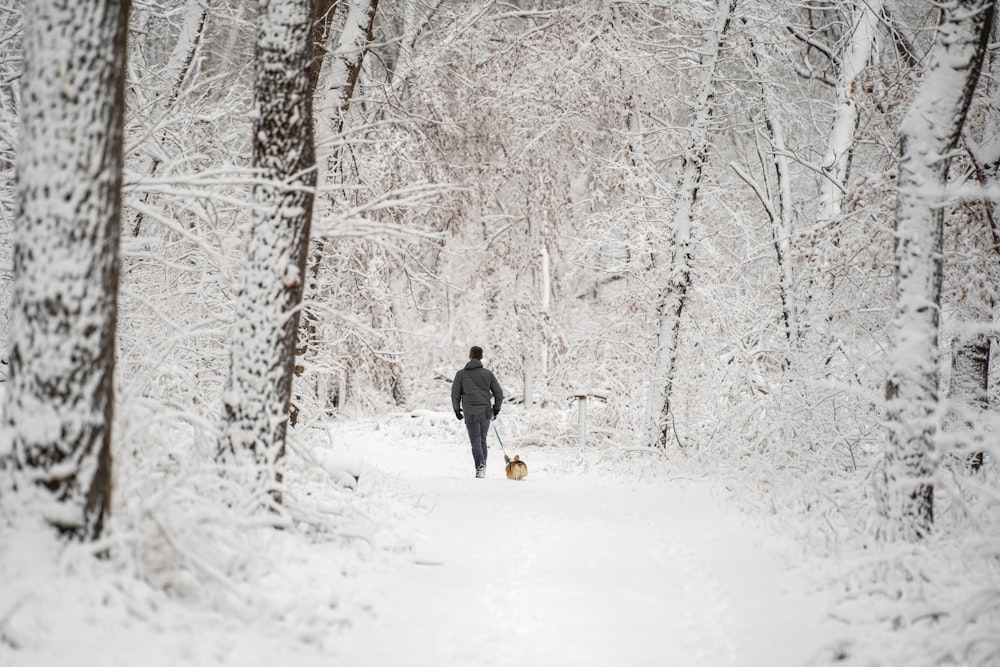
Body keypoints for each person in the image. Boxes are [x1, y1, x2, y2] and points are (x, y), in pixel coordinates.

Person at [451, 346, 504, 478]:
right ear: (481, 357)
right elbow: (499, 392)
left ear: (469, 356)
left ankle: (480, 467)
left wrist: (457, 409)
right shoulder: (488, 374)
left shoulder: (461, 374)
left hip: (470, 412)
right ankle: (482, 466)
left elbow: (455, 394)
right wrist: (496, 408)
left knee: (475, 440)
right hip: (486, 411)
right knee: (482, 440)